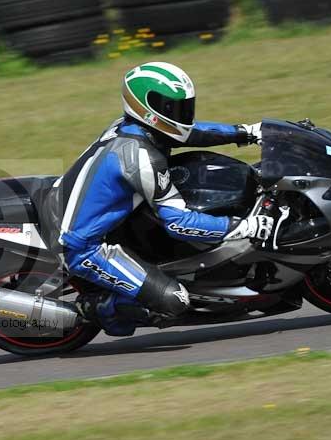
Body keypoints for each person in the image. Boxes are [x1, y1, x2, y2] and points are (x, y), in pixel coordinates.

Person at [52, 62, 274, 334]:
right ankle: (91, 310)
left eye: (184, 107)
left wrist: (246, 132)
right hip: (85, 247)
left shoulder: (134, 127)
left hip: (98, 218)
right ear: (148, 109)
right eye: (173, 108)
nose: (182, 114)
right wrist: (243, 227)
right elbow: (178, 223)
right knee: (174, 301)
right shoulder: (140, 158)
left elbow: (193, 133)